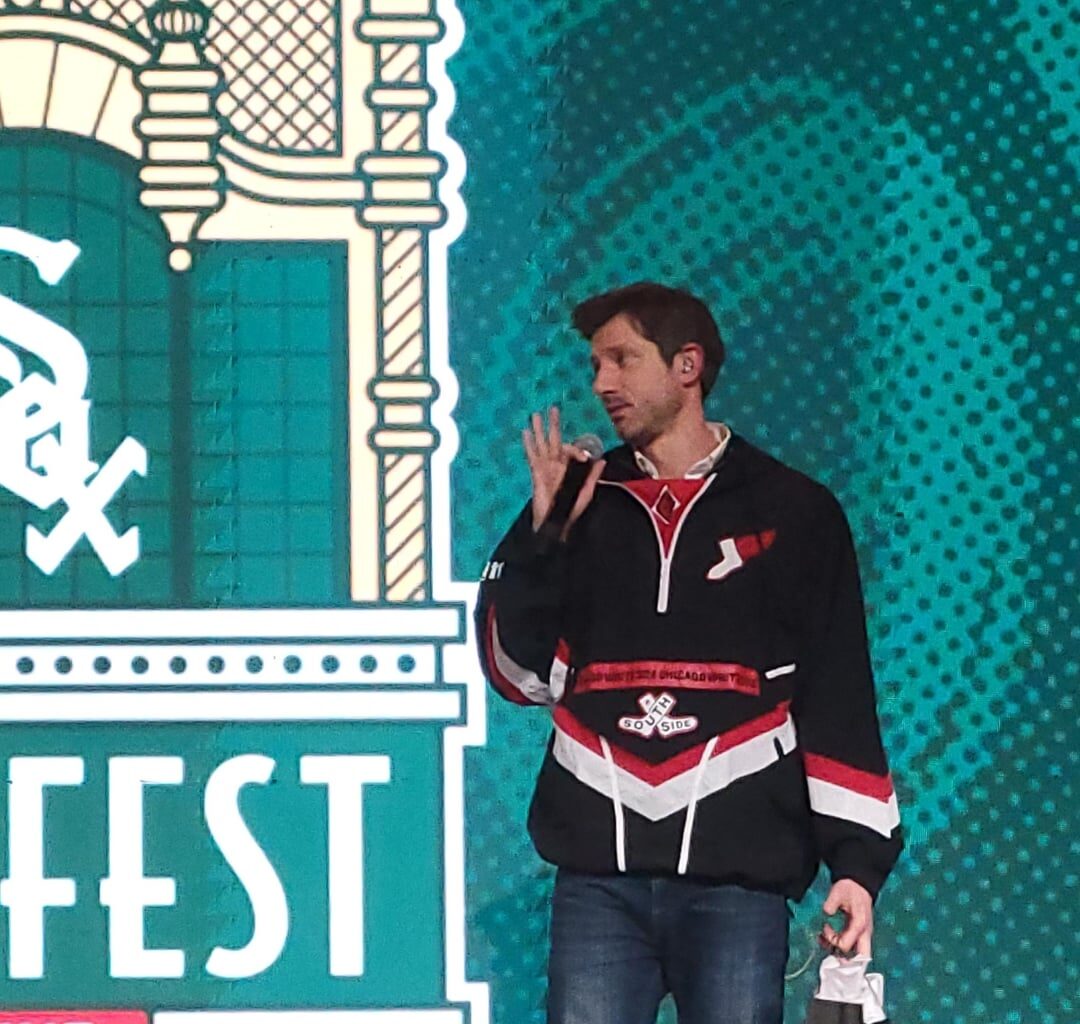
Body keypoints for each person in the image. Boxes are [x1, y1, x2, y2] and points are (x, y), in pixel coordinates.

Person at [475, 281, 902, 1024]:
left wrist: (856, 866)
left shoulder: (795, 511)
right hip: (597, 885)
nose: (601, 383)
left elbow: (836, 692)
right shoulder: (579, 503)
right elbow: (516, 676)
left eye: (622, 359)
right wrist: (542, 543)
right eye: (595, 365)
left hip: (738, 887)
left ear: (687, 366)